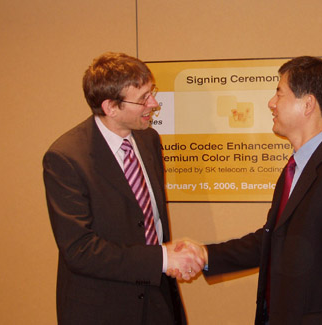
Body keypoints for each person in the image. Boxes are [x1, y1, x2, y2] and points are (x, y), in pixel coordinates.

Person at [176, 56, 322, 324]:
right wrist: (206, 255)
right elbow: (272, 240)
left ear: (308, 104)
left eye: (279, 93)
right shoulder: (295, 168)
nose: (271, 103)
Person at [43, 52, 203, 325]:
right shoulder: (66, 158)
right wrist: (162, 259)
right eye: (143, 98)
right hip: (103, 307)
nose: (153, 103)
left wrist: (169, 252)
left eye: (152, 92)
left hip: (157, 298)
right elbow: (80, 250)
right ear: (110, 107)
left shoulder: (149, 138)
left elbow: (144, 220)